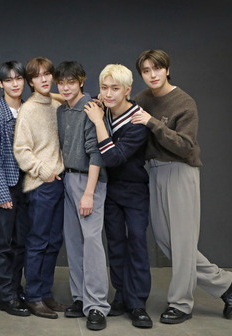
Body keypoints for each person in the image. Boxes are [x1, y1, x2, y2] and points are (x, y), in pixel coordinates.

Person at [131, 49, 232, 324]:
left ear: (167, 69)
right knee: (165, 240)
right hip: (154, 171)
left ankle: (181, 304)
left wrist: (152, 123)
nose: (152, 75)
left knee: (182, 242)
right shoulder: (142, 99)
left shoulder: (184, 102)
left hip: (180, 171)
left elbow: (186, 146)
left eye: (157, 69)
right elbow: (116, 106)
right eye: (146, 71)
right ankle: (225, 283)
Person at [83, 64, 152, 328]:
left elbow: (112, 157)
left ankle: (138, 304)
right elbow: (69, 95)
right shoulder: (104, 107)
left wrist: (98, 121)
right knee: (115, 244)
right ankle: (121, 295)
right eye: (104, 88)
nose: (109, 94)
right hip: (109, 190)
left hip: (134, 190)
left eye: (115, 89)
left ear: (127, 90)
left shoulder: (137, 120)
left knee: (136, 243)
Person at [55, 61, 110, 331]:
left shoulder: (91, 109)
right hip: (67, 179)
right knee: (74, 243)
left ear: (81, 81)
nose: (65, 87)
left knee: (92, 243)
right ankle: (80, 298)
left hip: (89, 181)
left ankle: (97, 305)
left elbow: (97, 153)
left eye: (71, 82)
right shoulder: (63, 111)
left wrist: (89, 193)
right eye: (61, 82)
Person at [12, 57, 66, 319]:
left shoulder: (56, 103)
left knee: (54, 241)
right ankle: (33, 296)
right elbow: (21, 151)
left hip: (59, 183)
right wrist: (44, 172)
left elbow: (72, 98)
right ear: (30, 81)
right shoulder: (28, 109)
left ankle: (45, 294)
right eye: (37, 76)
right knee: (37, 243)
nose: (44, 79)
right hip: (40, 185)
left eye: (48, 74)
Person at [0, 61, 30, 317]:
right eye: (9, 80)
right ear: (1, 84)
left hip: (29, 187)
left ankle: (15, 287)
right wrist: (1, 195)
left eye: (19, 78)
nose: (15, 84)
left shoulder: (30, 110)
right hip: (6, 188)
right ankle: (6, 296)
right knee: (1, 244)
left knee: (21, 242)